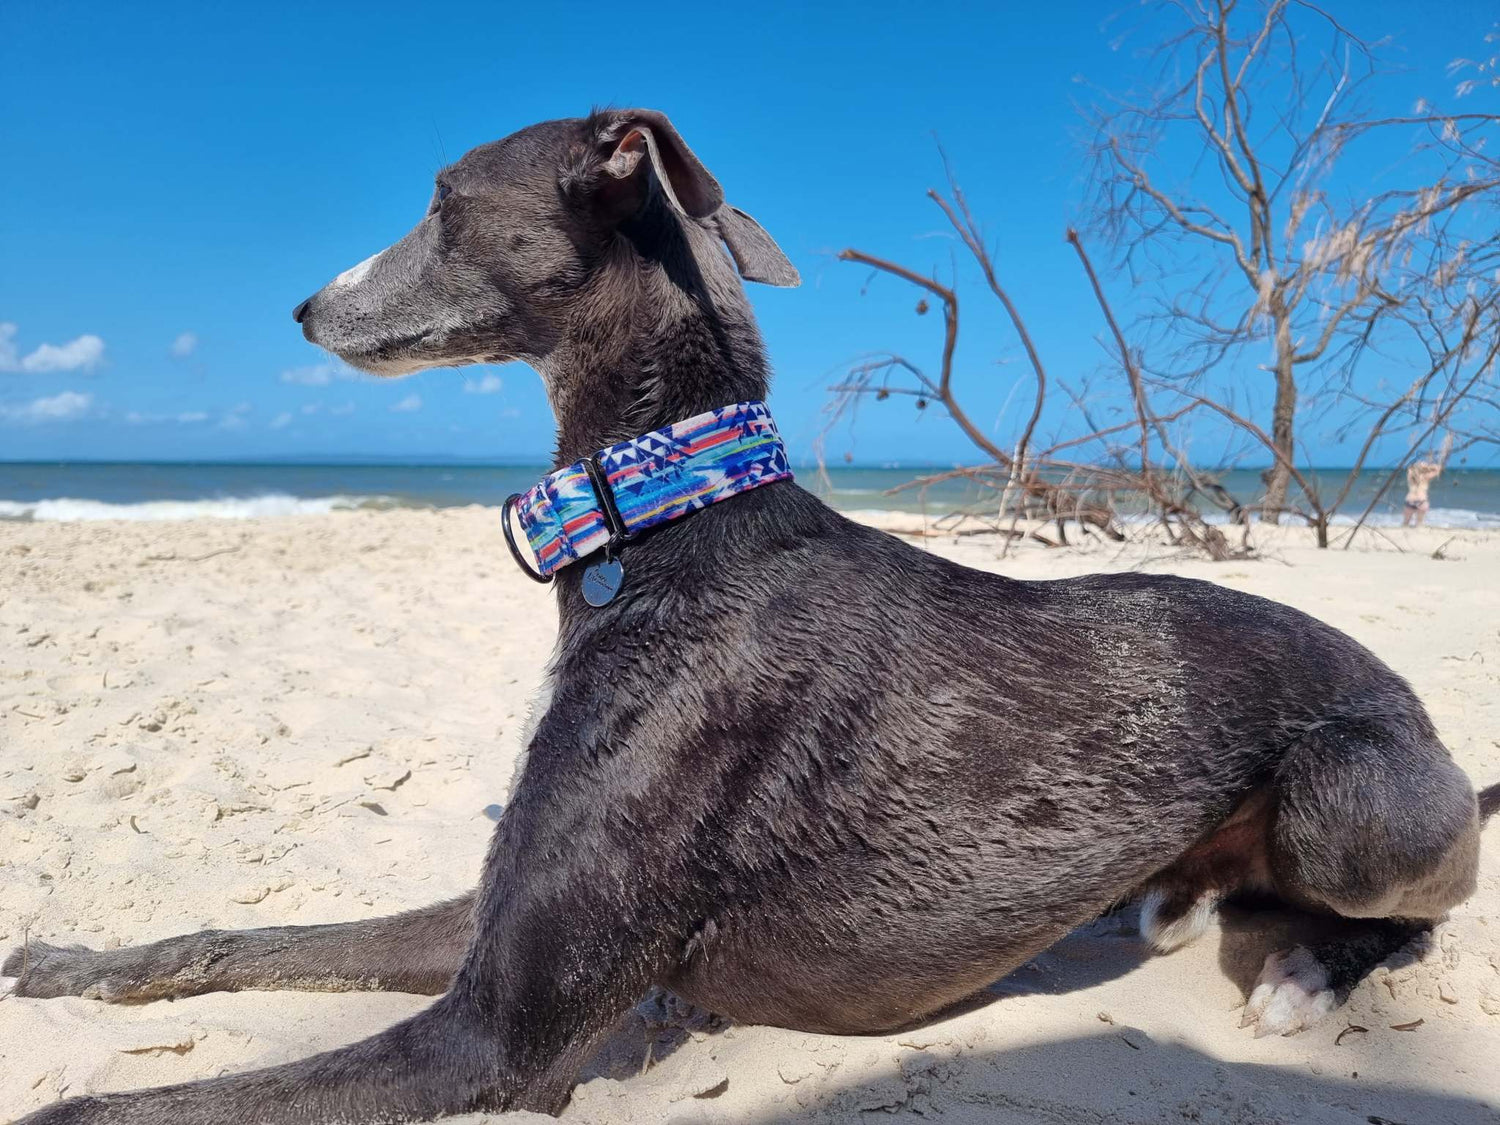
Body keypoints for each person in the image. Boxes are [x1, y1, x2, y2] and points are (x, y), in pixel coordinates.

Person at [1403, 433, 1451, 527]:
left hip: (1410, 500)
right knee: (1419, 524)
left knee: (1405, 523)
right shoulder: (1425, 477)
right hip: (1421, 500)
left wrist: (1424, 466)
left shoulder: (1411, 475)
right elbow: (1438, 468)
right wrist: (1428, 466)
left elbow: (1411, 468)